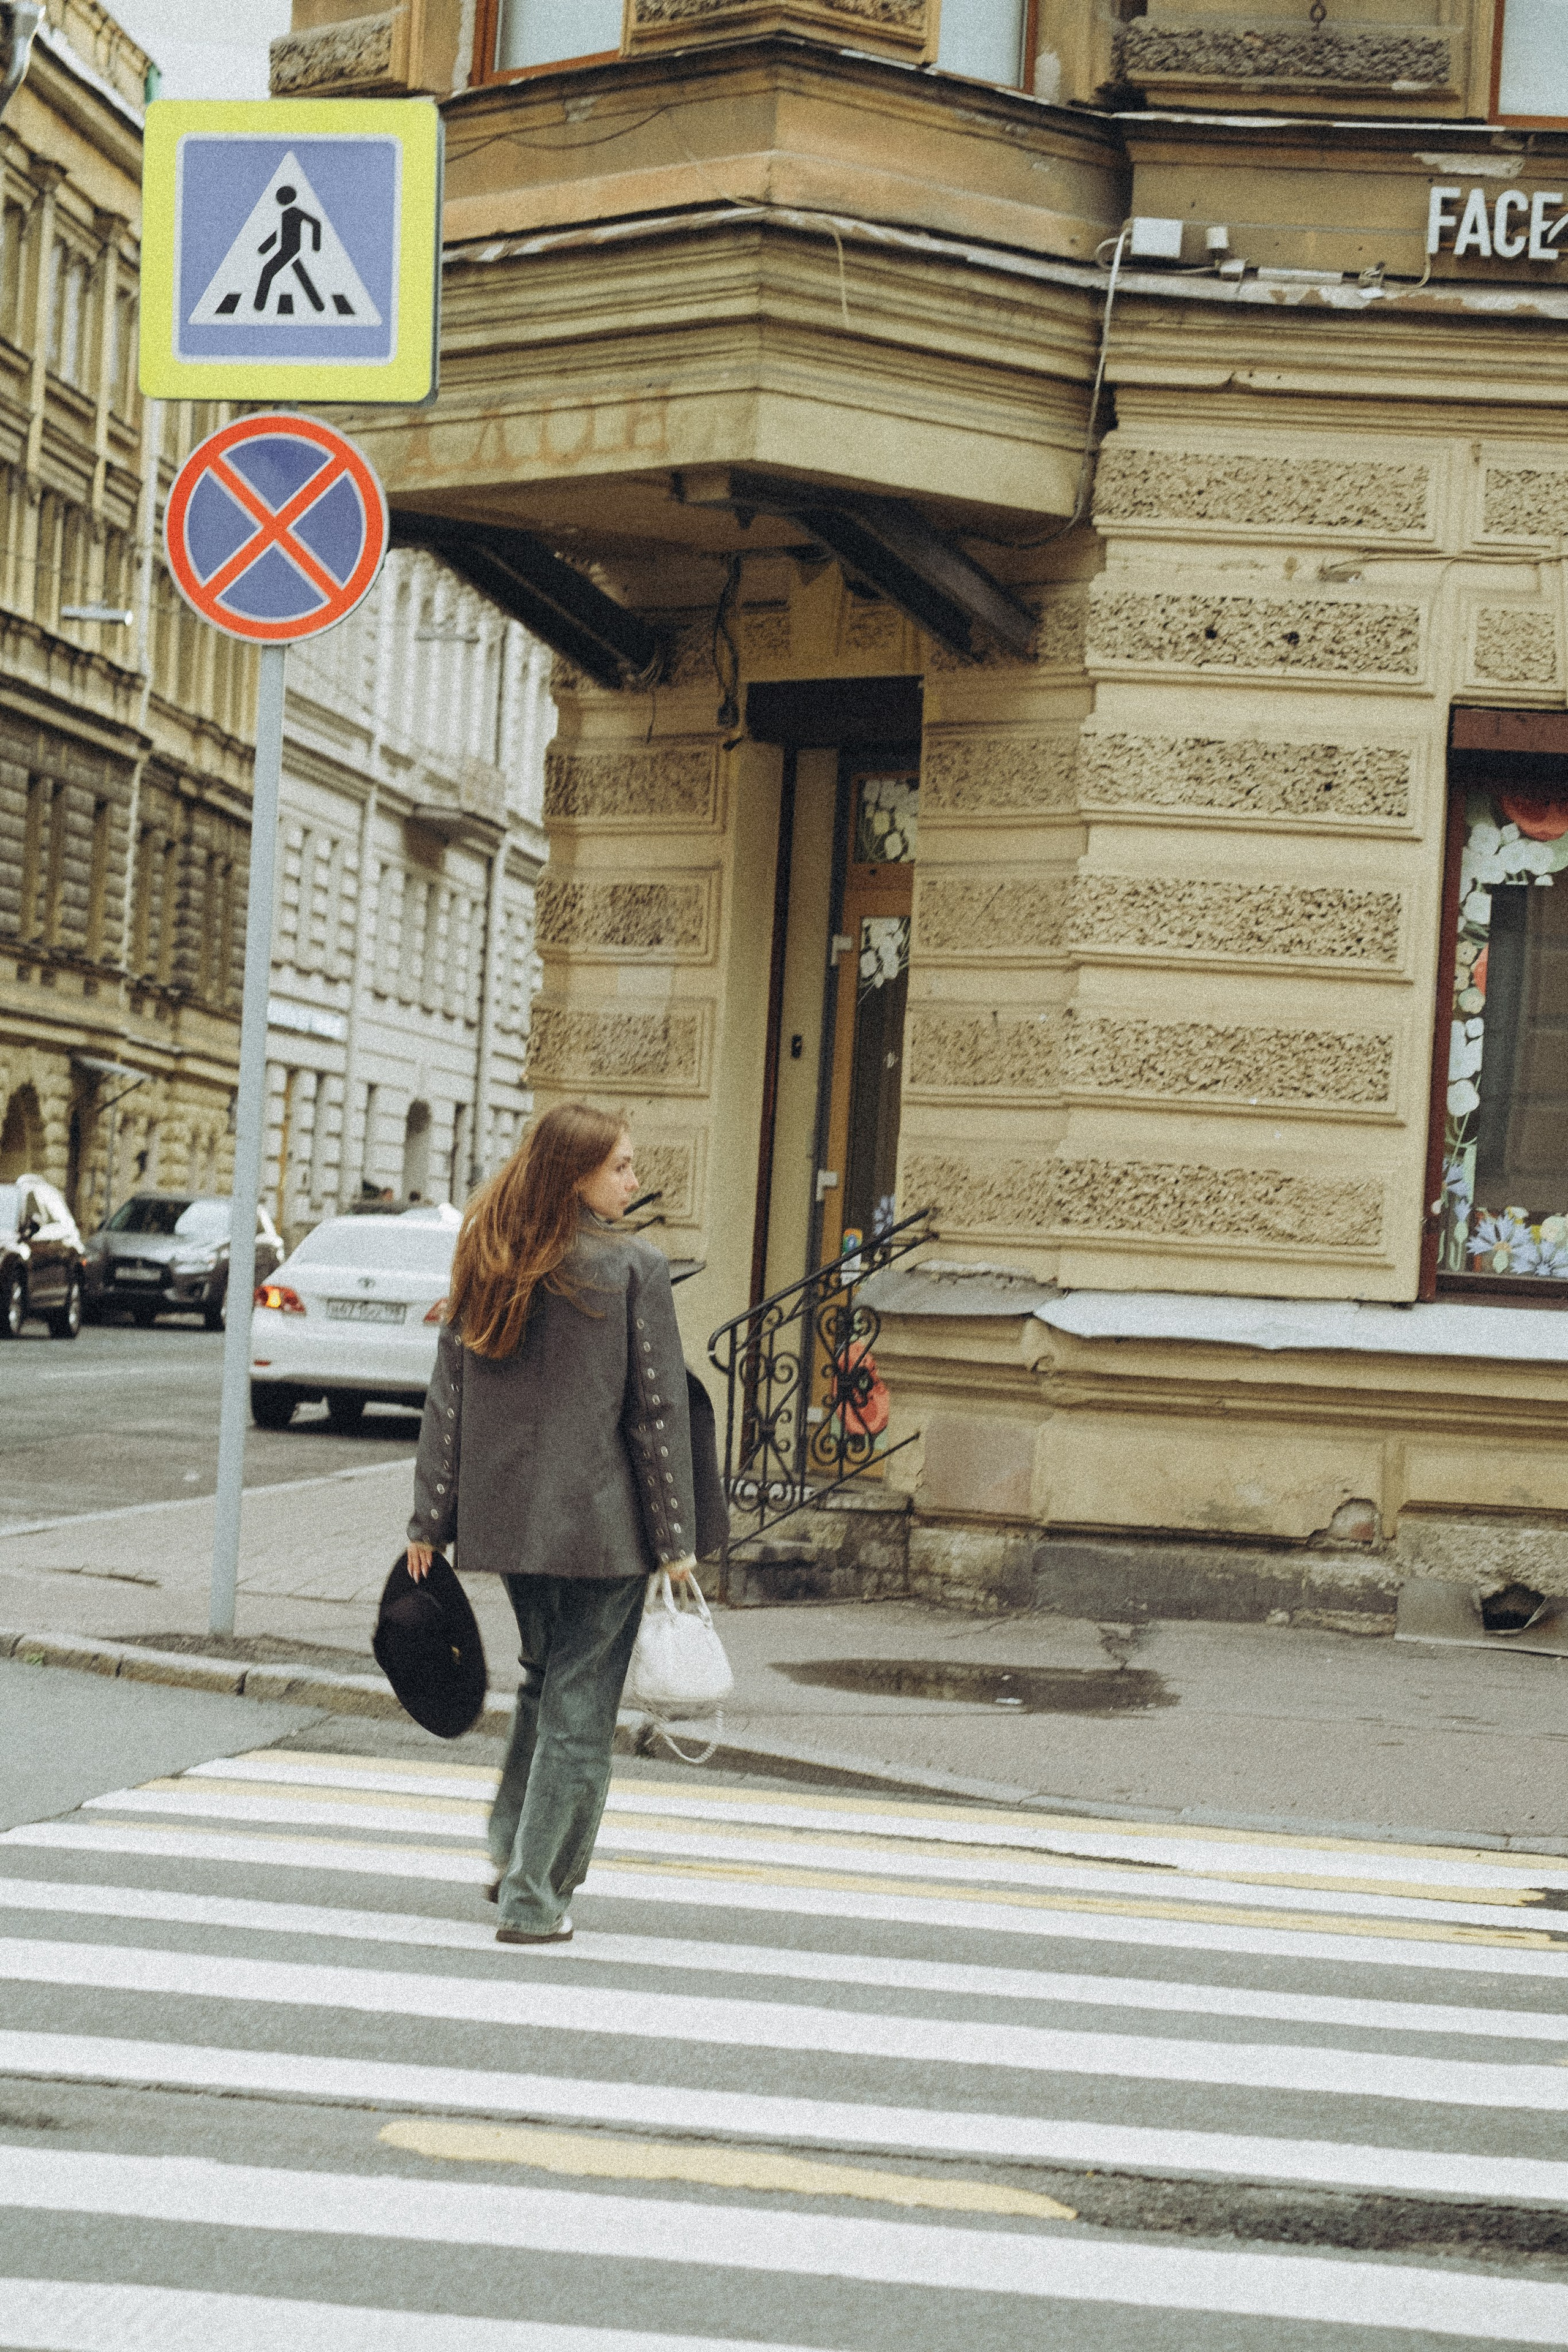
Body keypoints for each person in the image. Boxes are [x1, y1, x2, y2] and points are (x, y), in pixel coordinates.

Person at [406, 1102, 696, 1946]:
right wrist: (675, 1541)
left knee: (544, 1680)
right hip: (605, 1530)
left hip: (507, 1525)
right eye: (621, 1167)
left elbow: (449, 1399)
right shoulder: (634, 1266)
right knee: (580, 1706)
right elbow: (655, 1413)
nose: (634, 1181)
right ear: (576, 1176)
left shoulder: (491, 1255)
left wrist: (429, 1521)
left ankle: (510, 1854)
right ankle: (536, 1898)